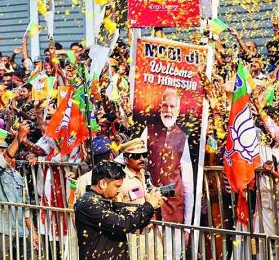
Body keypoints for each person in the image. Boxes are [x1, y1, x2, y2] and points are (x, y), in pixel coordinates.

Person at [140, 88, 194, 260]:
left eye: (172, 106)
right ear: (160, 107)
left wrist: (187, 226)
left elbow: (188, 184)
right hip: (150, 211)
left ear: (178, 110)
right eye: (165, 105)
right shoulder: (148, 131)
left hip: (174, 213)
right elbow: (131, 156)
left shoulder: (182, 138)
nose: (168, 110)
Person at [74, 161, 163, 260]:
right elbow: (123, 224)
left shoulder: (107, 201)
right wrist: (149, 205)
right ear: (102, 183)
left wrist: (152, 207)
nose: (119, 191)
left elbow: (132, 219)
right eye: (117, 186)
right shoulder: (88, 204)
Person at [0, 123, 39, 259]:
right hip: (1, 229)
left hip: (21, 231)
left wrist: (33, 232)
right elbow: (2, 163)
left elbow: (25, 207)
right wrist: (18, 138)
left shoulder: (18, 176)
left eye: (2, 151)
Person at [115, 137, 157, 260]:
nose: (142, 159)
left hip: (150, 233)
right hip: (132, 237)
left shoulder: (146, 175)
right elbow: (116, 211)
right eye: (137, 156)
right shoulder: (121, 181)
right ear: (126, 159)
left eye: (144, 155)